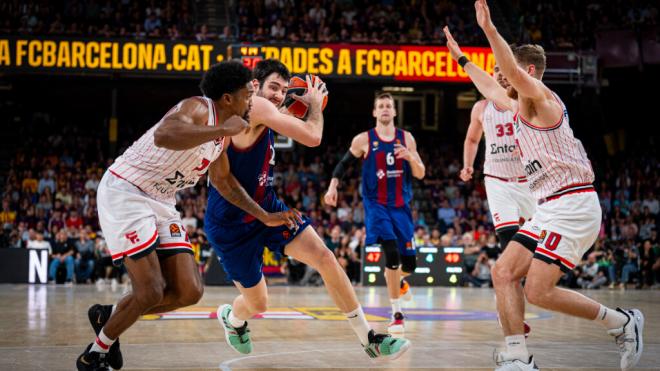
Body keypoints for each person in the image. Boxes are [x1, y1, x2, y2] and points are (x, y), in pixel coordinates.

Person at [444, 2, 644, 370]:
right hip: (549, 206)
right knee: (502, 272)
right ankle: (518, 358)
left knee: (538, 291)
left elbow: (506, 75)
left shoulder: (542, 100)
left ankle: (623, 322)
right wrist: (461, 60)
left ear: (529, 72)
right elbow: (490, 86)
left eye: (509, 72)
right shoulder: (517, 105)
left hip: (572, 205)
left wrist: (489, 30)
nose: (501, 77)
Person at [76, 61, 299, 371]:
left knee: (189, 291)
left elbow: (224, 182)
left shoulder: (223, 138)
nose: (252, 102)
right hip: (126, 191)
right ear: (227, 99)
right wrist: (222, 129)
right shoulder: (197, 108)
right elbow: (164, 134)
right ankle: (95, 353)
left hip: (161, 199)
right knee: (151, 290)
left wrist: (264, 215)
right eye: (247, 95)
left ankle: (108, 315)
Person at [206, 59, 410, 360]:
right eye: (273, 87)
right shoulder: (255, 108)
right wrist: (314, 103)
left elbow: (288, 112)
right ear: (254, 86)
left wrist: (302, 98)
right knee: (258, 304)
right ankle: (233, 320)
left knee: (325, 257)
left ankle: (369, 338)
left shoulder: (269, 111)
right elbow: (313, 136)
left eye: (284, 90)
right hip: (231, 219)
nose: (279, 95)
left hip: (267, 207)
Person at [325, 92, 425, 333]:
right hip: (376, 206)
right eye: (380, 106)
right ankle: (397, 314)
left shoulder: (407, 138)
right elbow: (343, 164)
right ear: (374, 112)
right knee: (391, 255)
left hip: (401, 207)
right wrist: (333, 185)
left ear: (394, 111)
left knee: (409, 263)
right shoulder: (364, 140)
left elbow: (420, 173)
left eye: (388, 106)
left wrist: (411, 158)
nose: (384, 109)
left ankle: (399, 282)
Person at [460, 64, 535, 250]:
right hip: (497, 180)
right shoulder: (481, 107)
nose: (501, 74)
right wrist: (467, 165)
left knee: (538, 239)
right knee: (507, 240)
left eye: (505, 69)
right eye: (496, 70)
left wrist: (528, 145)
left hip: (528, 180)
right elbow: (471, 139)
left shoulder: (526, 102)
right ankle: (513, 278)